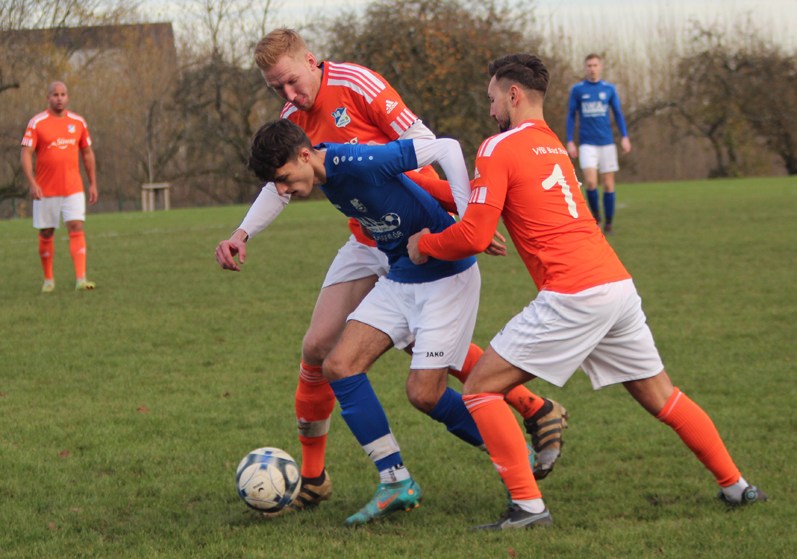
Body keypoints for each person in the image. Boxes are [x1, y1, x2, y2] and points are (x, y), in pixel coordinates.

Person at [408, 53, 766, 530]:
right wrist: (430, 190)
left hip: (572, 293)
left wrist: (424, 243)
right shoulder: (552, 144)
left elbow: (473, 234)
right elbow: (480, 202)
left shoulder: (497, 147)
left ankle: (529, 509)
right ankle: (737, 486)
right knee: (663, 396)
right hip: (615, 285)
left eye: (493, 95)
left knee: (480, 390)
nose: (490, 105)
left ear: (512, 94)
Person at [215, 29, 567, 510]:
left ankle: (528, 409)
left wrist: (459, 222)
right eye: (277, 88)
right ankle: (317, 477)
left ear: (311, 61)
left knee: (419, 364)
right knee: (322, 348)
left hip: (416, 236)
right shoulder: (291, 125)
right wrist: (242, 233)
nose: (290, 95)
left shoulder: (358, 84)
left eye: (293, 82)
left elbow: (425, 145)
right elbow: (280, 184)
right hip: (368, 236)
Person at [247, 118, 505, 525]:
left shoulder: (361, 160)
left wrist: (469, 223)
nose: (282, 190)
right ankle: (395, 480)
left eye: (282, 179)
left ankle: (512, 454)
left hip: (445, 275)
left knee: (425, 395)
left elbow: (447, 148)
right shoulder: (323, 172)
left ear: (303, 155)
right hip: (403, 273)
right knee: (337, 365)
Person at [21, 81, 98, 292]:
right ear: (48, 97)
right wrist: (32, 182)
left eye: (63, 94)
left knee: (77, 227)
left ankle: (81, 279)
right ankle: (48, 281)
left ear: (68, 97)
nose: (59, 98)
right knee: (46, 232)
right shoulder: (37, 122)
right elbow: (26, 154)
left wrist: (93, 184)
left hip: (73, 188)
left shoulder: (78, 122)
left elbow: (87, 153)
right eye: (55, 94)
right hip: (46, 190)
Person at [566, 54, 629, 234]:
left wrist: (624, 136)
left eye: (595, 65)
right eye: (589, 65)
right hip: (587, 144)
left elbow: (617, 113)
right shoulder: (577, 90)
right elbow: (571, 115)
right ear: (585, 68)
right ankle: (597, 219)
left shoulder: (609, 89)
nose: (592, 68)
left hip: (607, 143)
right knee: (591, 182)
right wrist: (570, 141)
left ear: (600, 66)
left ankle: (609, 225)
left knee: (609, 185)